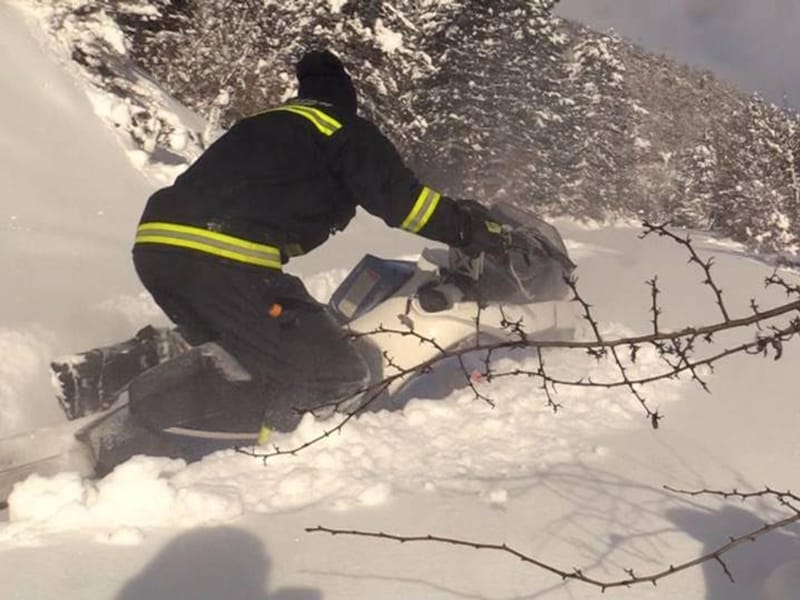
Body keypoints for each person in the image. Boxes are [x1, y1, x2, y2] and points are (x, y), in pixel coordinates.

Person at [56, 49, 510, 440]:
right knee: (333, 372)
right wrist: (474, 230)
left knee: (241, 350)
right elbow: (407, 206)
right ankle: (272, 460)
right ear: (347, 99)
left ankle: (103, 376)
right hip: (223, 258)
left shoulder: (266, 125)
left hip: (158, 247)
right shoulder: (342, 130)